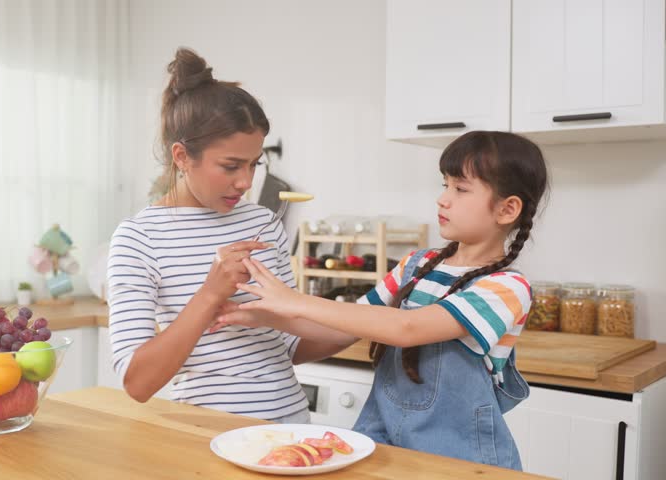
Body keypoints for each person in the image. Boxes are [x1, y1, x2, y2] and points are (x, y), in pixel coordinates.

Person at [213, 130, 548, 469]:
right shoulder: (414, 265)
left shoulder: (507, 287)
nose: (443, 199)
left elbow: (407, 328)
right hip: (383, 447)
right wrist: (263, 315)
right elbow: (343, 328)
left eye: (460, 189)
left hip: (461, 461)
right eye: (444, 185)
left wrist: (294, 300)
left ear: (507, 210)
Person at [106, 48, 349, 422]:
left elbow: (290, 343)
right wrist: (210, 293)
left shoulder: (263, 223)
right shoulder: (139, 239)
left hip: (292, 433)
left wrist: (372, 317)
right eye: (230, 166)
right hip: (208, 440)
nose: (246, 181)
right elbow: (137, 382)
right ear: (182, 157)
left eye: (254, 164)